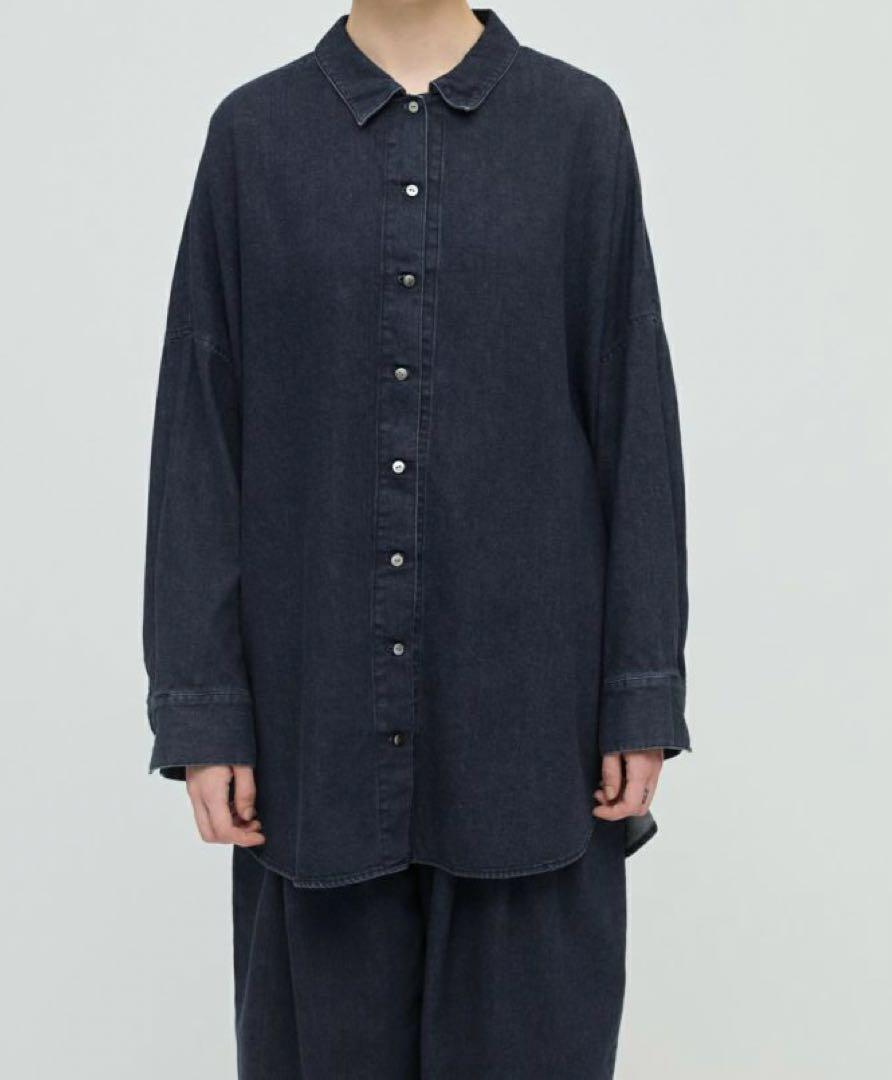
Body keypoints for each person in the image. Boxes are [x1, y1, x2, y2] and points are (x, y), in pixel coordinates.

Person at [142, 2, 690, 1076]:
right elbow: (200, 430)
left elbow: (633, 415)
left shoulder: (577, 128)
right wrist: (203, 708)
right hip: (314, 749)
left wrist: (641, 690)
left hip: (534, 741)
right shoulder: (254, 138)